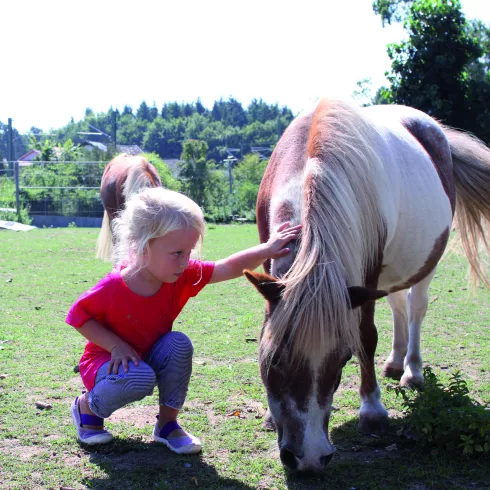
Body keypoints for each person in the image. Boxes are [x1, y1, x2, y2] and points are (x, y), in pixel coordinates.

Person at [67, 187, 301, 455]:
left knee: (178, 344)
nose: (185, 261)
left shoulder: (182, 275)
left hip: (147, 355)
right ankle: (87, 408)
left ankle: (167, 425)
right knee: (139, 377)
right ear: (142, 246)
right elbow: (78, 316)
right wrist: (115, 345)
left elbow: (227, 267)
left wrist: (267, 249)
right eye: (177, 253)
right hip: (108, 363)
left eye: (188, 252)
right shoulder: (113, 287)